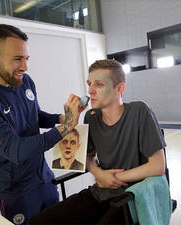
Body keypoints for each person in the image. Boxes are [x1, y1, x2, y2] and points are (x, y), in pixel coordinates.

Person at [0, 24, 86, 224]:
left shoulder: (24, 81)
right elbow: (15, 151)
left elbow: (35, 116)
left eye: (26, 58)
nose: (25, 67)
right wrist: (65, 128)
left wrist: (61, 118)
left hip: (43, 177)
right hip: (17, 191)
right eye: (17, 59)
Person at [29, 59, 166, 224]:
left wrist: (115, 177)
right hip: (100, 193)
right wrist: (98, 173)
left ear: (119, 88)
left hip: (131, 197)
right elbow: (82, 159)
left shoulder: (139, 111)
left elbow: (158, 166)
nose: (90, 91)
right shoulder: (91, 116)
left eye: (99, 85)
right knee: (39, 221)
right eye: (89, 84)